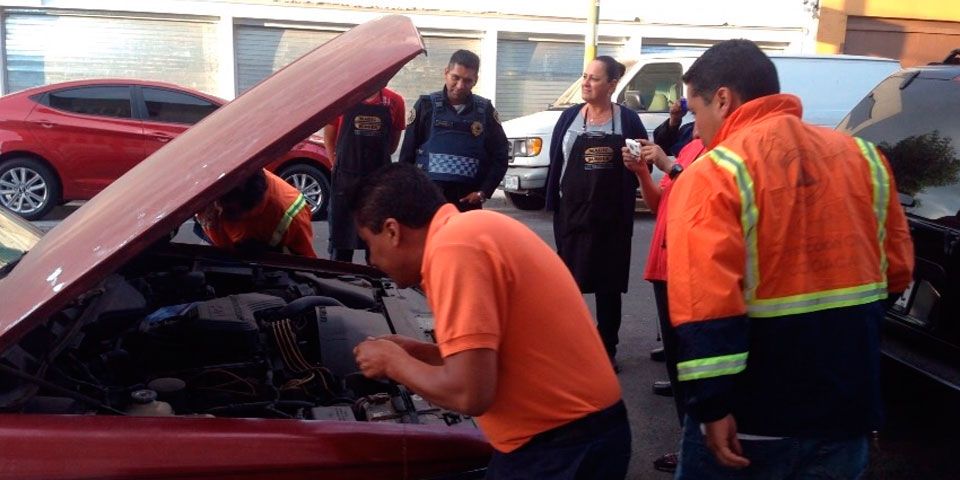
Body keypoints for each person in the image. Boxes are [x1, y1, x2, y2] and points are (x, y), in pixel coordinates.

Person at [666, 39, 913, 478]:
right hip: (846, 412)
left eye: (694, 109)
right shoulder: (865, 157)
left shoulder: (714, 173)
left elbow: (706, 306)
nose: (695, 126)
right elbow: (896, 273)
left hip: (753, 421)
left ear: (723, 99)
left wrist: (711, 406)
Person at [348, 163, 631, 479]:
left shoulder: (454, 249)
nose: (371, 261)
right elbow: (483, 358)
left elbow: (470, 394)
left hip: (562, 447)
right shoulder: (469, 231)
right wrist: (414, 352)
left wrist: (394, 363)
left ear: (392, 231)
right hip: (572, 435)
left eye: (369, 246)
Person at [545, 56, 647, 369]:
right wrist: (554, 207)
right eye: (584, 76)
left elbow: (645, 159)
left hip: (612, 219)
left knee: (608, 286)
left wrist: (639, 160)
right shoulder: (569, 119)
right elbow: (557, 165)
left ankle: (607, 349)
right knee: (569, 286)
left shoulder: (627, 120)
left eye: (594, 78)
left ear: (612, 85)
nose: (586, 83)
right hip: (574, 216)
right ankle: (570, 346)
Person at [399, 49, 508, 212]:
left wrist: (483, 192)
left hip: (467, 205)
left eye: (467, 80)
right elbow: (407, 156)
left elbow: (501, 155)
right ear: (446, 72)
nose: (460, 86)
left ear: (475, 81)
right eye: (455, 78)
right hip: (429, 202)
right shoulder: (426, 106)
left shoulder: (484, 111)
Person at [324, 87, 405, 263]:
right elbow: (329, 139)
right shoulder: (342, 99)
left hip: (377, 184)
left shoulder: (395, 102)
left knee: (376, 248)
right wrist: (338, 167)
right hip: (345, 184)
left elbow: (391, 146)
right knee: (341, 247)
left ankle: (373, 289)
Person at [196, 168, 316, 258]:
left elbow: (307, 264)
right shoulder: (203, 188)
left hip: (264, 260)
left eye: (229, 211)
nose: (219, 211)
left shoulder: (292, 214)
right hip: (218, 250)